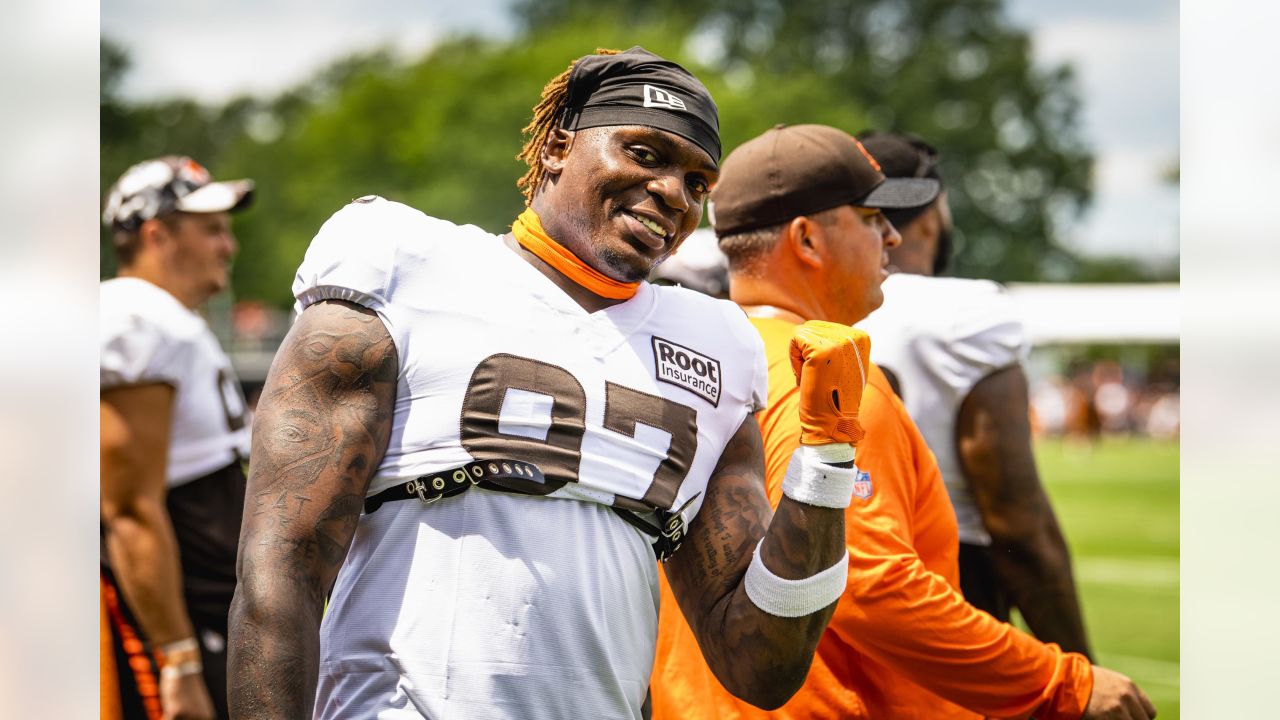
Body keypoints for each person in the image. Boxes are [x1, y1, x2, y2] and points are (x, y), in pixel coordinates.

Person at [228, 47, 875, 720]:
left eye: (697, 182)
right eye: (646, 154)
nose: (673, 194)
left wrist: (825, 459)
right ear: (560, 145)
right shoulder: (406, 265)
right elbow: (282, 569)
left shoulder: (714, 343)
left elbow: (760, 665)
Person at [650, 124, 1156, 719]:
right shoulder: (827, 373)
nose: (892, 237)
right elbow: (868, 581)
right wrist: (1063, 684)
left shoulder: (697, 364)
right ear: (808, 239)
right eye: (870, 218)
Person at [857, 131, 1092, 656]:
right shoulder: (966, 313)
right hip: (947, 583)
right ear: (932, 214)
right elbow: (1017, 524)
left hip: (833, 583)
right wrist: (1083, 672)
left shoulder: (799, 307)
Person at [100, 156, 255, 720]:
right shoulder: (133, 319)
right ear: (156, 234)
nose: (227, 247)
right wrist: (178, 659)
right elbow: (129, 509)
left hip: (213, 615)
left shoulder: (168, 321)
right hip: (176, 624)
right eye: (212, 230)